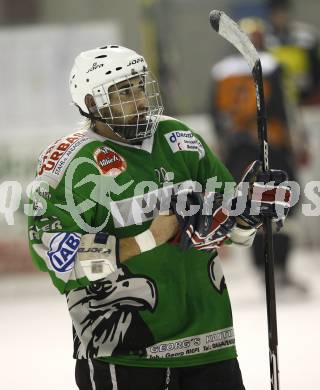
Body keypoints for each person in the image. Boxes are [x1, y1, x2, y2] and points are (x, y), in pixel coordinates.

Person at [28, 45, 291, 390]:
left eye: (140, 86)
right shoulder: (67, 165)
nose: (139, 99)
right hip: (124, 354)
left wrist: (251, 211)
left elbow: (229, 228)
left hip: (210, 342)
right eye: (124, 91)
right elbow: (59, 260)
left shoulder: (179, 138)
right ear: (92, 103)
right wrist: (146, 238)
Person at [210, 17, 305, 292]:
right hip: (272, 145)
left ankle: (265, 272)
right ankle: (281, 269)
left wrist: (226, 143)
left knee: (250, 208)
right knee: (281, 205)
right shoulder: (272, 66)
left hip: (239, 150)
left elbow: (216, 115)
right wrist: (297, 141)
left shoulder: (220, 72)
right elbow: (285, 108)